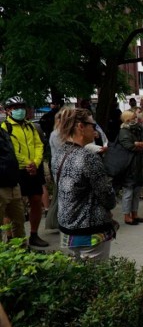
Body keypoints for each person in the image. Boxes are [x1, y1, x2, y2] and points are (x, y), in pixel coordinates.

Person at [54, 108, 117, 260]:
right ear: (80, 127)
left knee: (79, 274)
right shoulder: (88, 157)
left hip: (67, 226)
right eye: (92, 125)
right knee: (96, 277)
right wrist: (110, 205)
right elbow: (106, 194)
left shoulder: (59, 153)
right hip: (90, 229)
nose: (95, 130)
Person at [1, 96, 48, 247]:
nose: (19, 110)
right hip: (16, 170)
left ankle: (34, 234)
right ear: (8, 111)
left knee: (36, 200)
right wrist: (27, 163)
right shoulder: (5, 128)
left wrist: (36, 162)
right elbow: (9, 150)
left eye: (22, 107)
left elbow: (38, 145)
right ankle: (11, 237)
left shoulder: (30, 126)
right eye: (15, 108)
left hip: (33, 168)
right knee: (12, 205)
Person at [115, 110, 143, 225]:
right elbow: (130, 146)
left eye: (136, 117)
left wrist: (139, 143)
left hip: (139, 163)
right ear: (127, 119)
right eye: (134, 118)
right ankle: (127, 216)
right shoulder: (123, 131)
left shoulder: (139, 128)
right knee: (128, 192)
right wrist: (142, 144)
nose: (136, 119)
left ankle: (135, 214)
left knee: (136, 191)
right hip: (129, 165)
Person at [0, 126, 25, 240]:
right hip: (1, 186)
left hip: (13, 183)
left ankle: (20, 250)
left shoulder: (4, 132)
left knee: (19, 220)